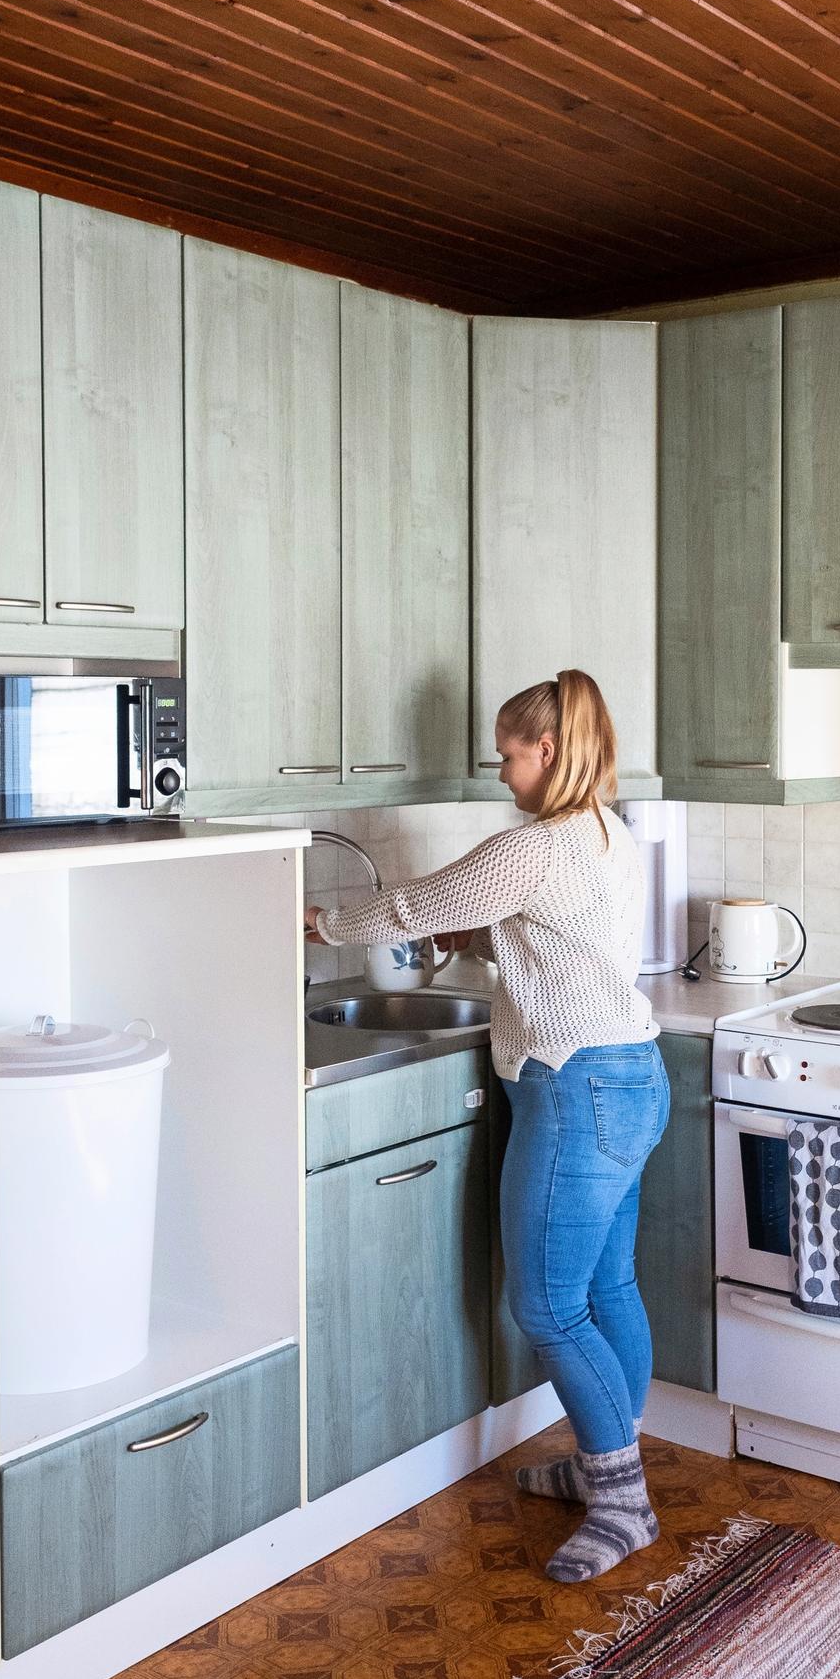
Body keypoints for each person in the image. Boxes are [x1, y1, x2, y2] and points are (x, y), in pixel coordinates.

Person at [305, 670, 669, 1583]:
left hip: (574, 1088)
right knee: (609, 1287)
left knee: (546, 1306)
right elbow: (559, 938)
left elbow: (415, 906)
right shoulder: (607, 833)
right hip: (633, 1077)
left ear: (546, 750)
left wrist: (322, 923)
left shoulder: (534, 846)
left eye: (508, 755)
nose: (502, 772)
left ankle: (623, 1502)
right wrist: (485, 936)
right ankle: (606, 1462)